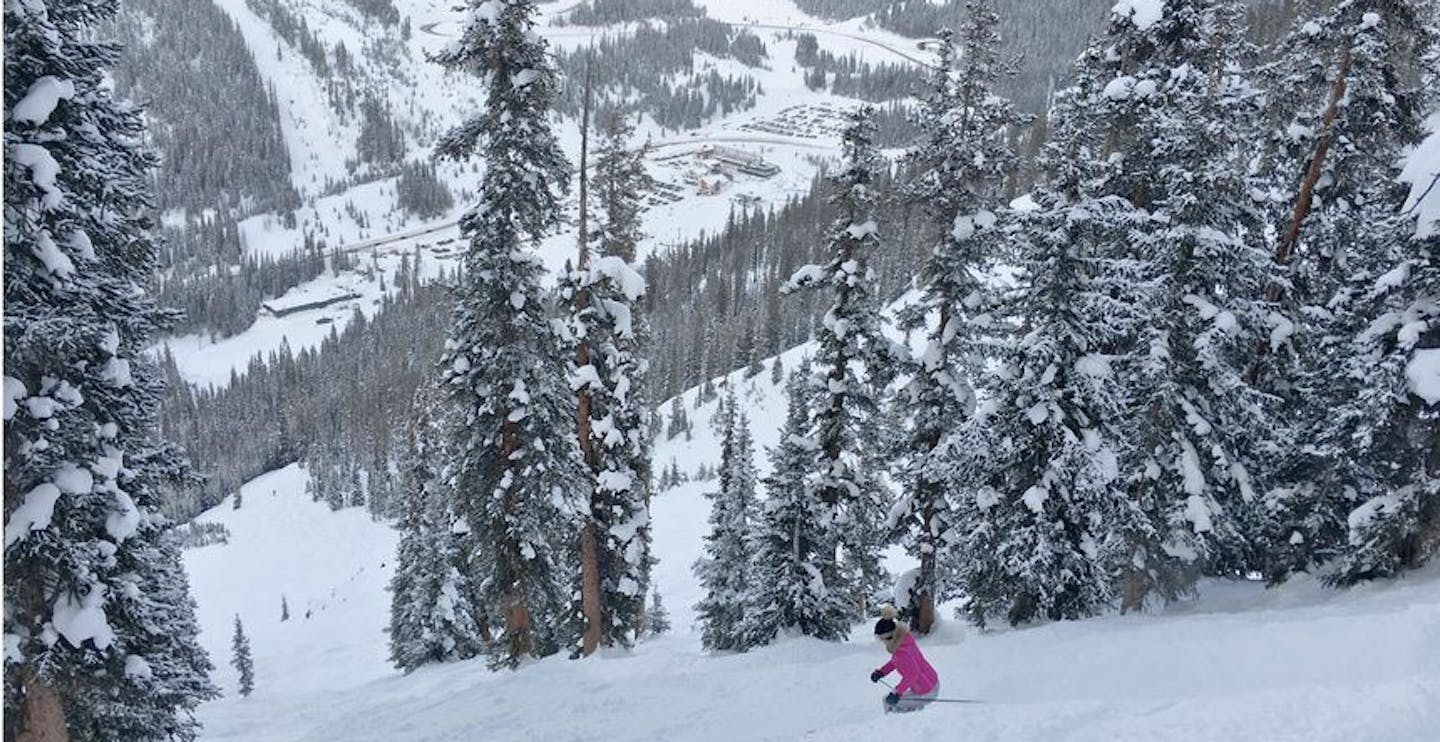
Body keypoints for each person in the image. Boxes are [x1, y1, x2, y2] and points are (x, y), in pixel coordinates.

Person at [869, 605, 939, 713]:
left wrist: (897, 693)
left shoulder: (903, 651)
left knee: (888, 703)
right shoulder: (903, 642)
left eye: (882, 639)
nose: (882, 642)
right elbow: (895, 662)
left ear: (889, 637)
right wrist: (881, 672)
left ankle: (892, 726)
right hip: (928, 683)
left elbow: (912, 674)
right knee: (890, 702)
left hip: (926, 690)